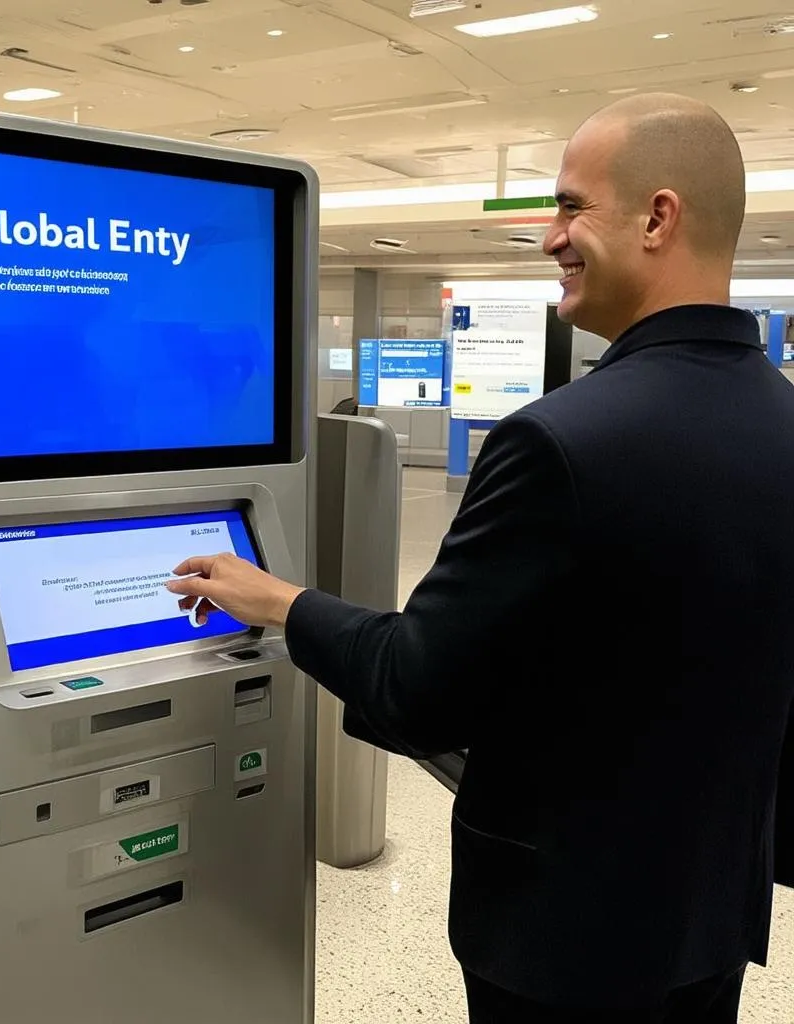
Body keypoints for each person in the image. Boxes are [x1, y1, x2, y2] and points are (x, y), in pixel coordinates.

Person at [168, 93, 794, 1023]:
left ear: (658, 217)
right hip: (708, 917)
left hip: (561, 945)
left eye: (571, 206)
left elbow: (420, 684)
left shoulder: (560, 442)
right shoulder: (782, 421)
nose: (550, 238)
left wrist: (282, 603)